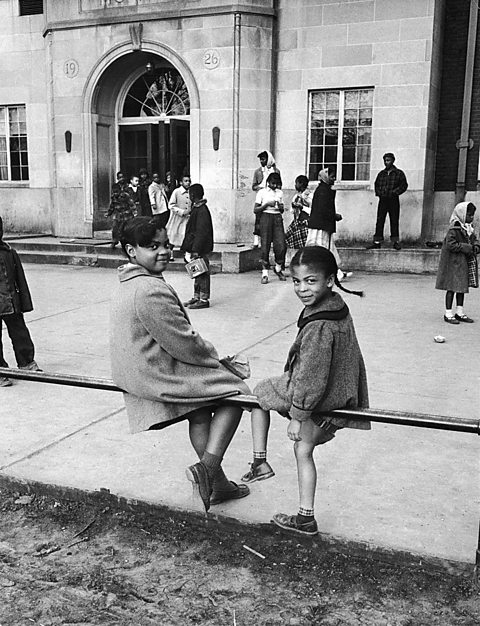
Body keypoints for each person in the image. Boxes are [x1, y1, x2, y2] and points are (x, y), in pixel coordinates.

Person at [110, 217, 250, 512]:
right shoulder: (149, 289)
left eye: (165, 245)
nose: (162, 251)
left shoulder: (128, 280)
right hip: (155, 373)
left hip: (139, 368)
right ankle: (208, 470)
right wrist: (219, 362)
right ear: (131, 250)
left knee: (199, 414)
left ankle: (219, 485)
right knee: (238, 393)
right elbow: (184, 342)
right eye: (151, 246)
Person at [241, 246, 369, 536]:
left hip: (322, 399)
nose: (302, 288)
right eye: (296, 281)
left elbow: (311, 377)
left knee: (297, 442)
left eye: (310, 281)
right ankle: (264, 467)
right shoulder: (335, 307)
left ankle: (299, 511)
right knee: (263, 400)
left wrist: (298, 416)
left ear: (329, 280)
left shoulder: (320, 325)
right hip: (338, 392)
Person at [0, 216, 41, 386]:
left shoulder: (9, 253)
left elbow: (20, 281)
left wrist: (24, 302)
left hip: (11, 302)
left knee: (20, 334)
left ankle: (27, 363)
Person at [435, 201, 479, 324]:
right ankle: (448, 313)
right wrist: (468, 248)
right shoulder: (454, 228)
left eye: (472, 215)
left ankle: (459, 312)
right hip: (453, 262)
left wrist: (476, 246)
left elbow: (475, 240)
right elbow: (450, 245)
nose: (471, 218)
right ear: (462, 215)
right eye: (469, 215)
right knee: (451, 288)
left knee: (462, 288)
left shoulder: (469, 228)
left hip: (463, 262)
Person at [306, 167, 352, 282]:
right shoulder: (323, 191)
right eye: (332, 176)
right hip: (320, 226)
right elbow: (324, 210)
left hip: (321, 225)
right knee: (322, 250)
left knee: (326, 249)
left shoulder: (324, 189)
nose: (334, 178)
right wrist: (334, 216)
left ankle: (336, 273)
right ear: (326, 177)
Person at [181, 184, 214, 310]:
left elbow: (201, 232)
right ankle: (196, 296)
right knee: (196, 272)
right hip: (195, 247)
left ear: (193, 195)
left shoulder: (202, 210)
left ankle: (204, 299)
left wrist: (196, 249)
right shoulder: (197, 209)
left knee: (203, 273)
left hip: (200, 248)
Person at [367, 152, 408, 250]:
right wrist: (380, 193)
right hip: (383, 200)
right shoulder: (381, 174)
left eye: (388, 160)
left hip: (393, 200)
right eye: (385, 160)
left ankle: (395, 242)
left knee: (394, 220)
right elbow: (376, 184)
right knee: (380, 220)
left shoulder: (399, 173)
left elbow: (404, 185)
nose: (386, 163)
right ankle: (377, 242)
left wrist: (395, 192)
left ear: (393, 161)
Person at [254, 172, 287, 284]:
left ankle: (278, 268)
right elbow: (255, 209)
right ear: (268, 182)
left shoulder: (280, 193)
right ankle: (264, 273)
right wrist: (266, 204)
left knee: (281, 245)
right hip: (266, 217)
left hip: (277, 218)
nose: (274, 186)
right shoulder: (262, 192)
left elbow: (282, 210)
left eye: (276, 184)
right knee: (265, 246)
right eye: (272, 183)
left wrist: (280, 206)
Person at [252, 151, 281, 248]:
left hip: (272, 196)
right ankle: (257, 240)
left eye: (263, 159)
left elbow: (279, 184)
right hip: (262, 196)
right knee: (258, 218)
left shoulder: (276, 171)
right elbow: (253, 186)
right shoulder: (258, 172)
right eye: (260, 159)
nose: (261, 161)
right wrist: (260, 188)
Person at [107, 172, 135, 248]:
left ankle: (128, 241)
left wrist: (134, 212)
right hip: (118, 214)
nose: (121, 179)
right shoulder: (114, 194)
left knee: (126, 228)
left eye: (122, 177)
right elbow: (112, 205)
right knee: (115, 226)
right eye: (119, 177)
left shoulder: (127, 189)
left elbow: (131, 203)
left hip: (126, 213)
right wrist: (109, 213)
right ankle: (114, 241)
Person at [166, 174, 191, 261]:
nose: (188, 183)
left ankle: (187, 254)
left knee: (186, 235)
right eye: (186, 181)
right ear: (181, 182)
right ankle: (170, 252)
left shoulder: (190, 192)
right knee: (173, 235)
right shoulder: (176, 192)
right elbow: (171, 205)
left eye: (189, 181)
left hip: (187, 218)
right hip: (177, 217)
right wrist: (181, 211)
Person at [285, 175, 312, 250]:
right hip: (297, 222)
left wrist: (302, 207)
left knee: (306, 245)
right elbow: (292, 211)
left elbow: (312, 210)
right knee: (288, 238)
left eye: (296, 183)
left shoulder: (309, 196)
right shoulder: (296, 196)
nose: (295, 185)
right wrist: (294, 206)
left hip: (306, 223)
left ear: (301, 184)